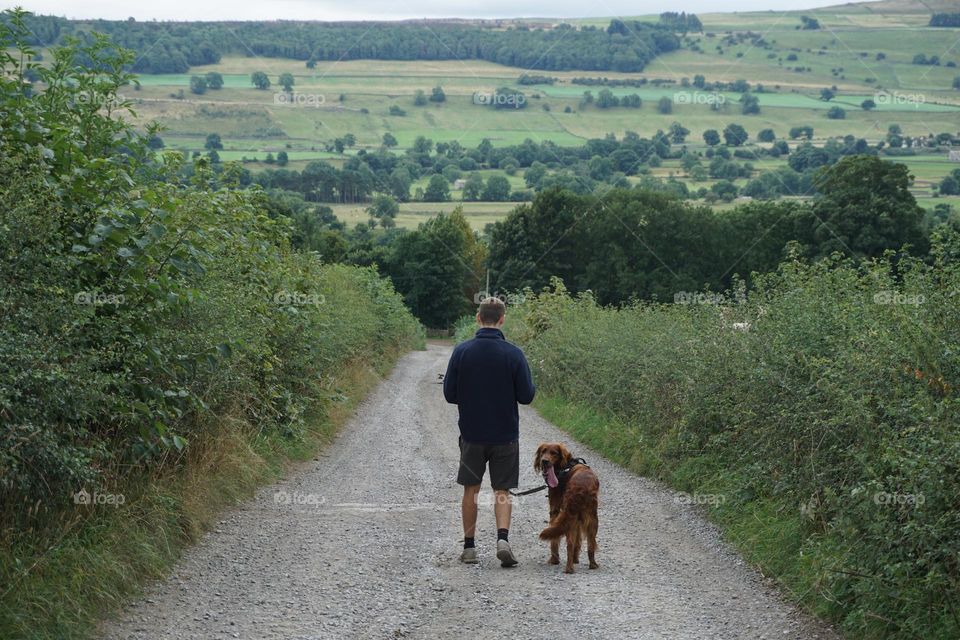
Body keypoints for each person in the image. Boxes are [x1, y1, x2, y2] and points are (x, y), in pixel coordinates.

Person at [443, 296, 536, 567]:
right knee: (502, 490)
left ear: (478, 318)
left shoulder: (462, 351)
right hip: (505, 435)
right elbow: (527, 396)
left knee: (471, 490)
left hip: (472, 434)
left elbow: (449, 394)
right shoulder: (514, 354)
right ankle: (502, 539)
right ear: (502, 319)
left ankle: (470, 548)